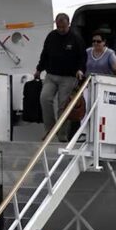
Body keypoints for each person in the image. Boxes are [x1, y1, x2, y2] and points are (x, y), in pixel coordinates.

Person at [35, 13, 86, 142]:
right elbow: (44, 54)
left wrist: (80, 69)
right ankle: (50, 130)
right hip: (52, 75)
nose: (61, 29)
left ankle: (62, 134)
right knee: (45, 98)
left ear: (68, 24)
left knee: (63, 106)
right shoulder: (51, 36)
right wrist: (39, 69)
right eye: (58, 27)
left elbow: (82, 56)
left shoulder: (75, 38)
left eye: (63, 27)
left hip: (68, 77)